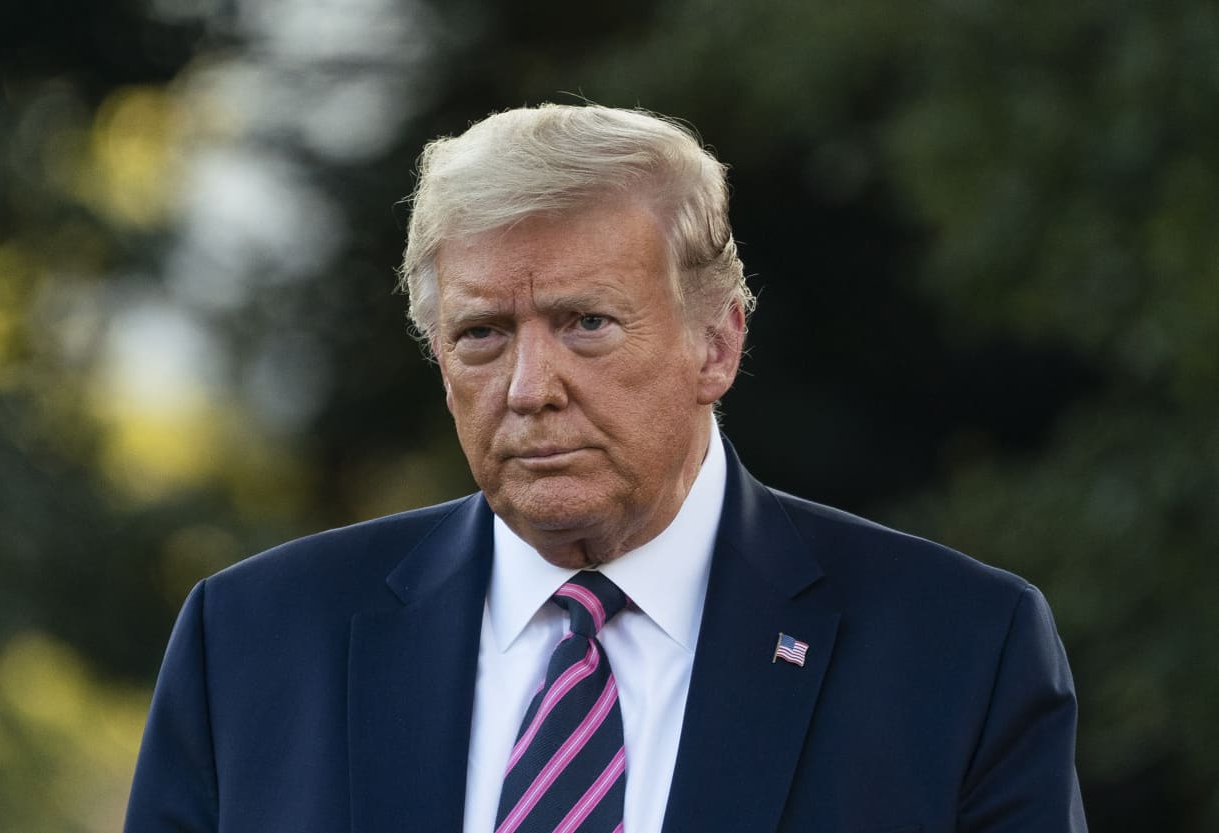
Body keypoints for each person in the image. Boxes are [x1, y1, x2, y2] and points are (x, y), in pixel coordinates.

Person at [125, 104, 1088, 833]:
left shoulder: (959, 651)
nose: (529, 387)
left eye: (586, 323)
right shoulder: (252, 643)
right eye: (482, 334)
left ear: (717, 344)